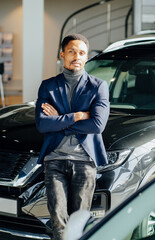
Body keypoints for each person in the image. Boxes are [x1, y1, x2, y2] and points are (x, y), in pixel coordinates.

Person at [35, 33, 110, 240]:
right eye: (71, 51)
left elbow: (96, 125)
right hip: (55, 159)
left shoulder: (98, 86)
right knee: (58, 219)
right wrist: (76, 116)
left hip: (85, 161)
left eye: (82, 53)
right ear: (62, 54)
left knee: (79, 220)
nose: (77, 56)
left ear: (87, 57)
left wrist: (59, 120)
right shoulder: (48, 86)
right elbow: (42, 124)